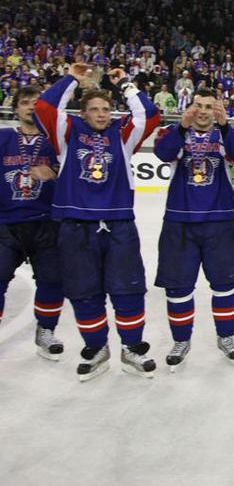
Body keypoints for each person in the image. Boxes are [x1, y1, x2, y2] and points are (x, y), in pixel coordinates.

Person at [34, 64, 161, 381]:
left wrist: (125, 84)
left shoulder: (123, 136)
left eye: (106, 109)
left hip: (119, 224)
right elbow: (45, 108)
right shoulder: (67, 134)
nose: (101, 114)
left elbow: (149, 115)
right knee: (84, 291)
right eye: (94, 109)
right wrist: (72, 79)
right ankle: (96, 347)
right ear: (83, 113)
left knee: (128, 289)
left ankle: (132, 348)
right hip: (76, 226)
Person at [153, 89, 234, 370]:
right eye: (198, 106)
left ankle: (226, 336)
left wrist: (226, 125)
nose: (203, 111)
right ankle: (181, 340)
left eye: (209, 106)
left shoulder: (226, 135)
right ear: (189, 107)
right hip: (179, 221)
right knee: (178, 286)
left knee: (224, 284)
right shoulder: (174, 133)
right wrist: (182, 126)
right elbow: (162, 153)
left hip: (219, 221)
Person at [0, 85, 65, 360]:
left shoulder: (57, 141)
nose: (30, 107)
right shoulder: (3, 137)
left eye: (36, 103)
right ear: (15, 108)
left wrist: (55, 173)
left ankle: (46, 330)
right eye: (25, 102)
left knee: (53, 280)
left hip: (46, 222)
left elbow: (75, 176)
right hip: (6, 223)